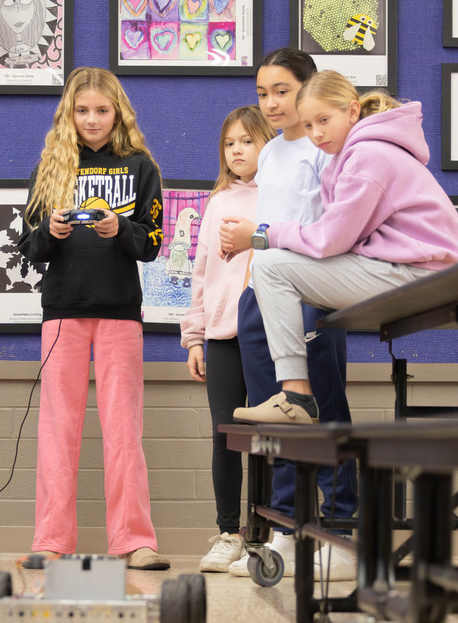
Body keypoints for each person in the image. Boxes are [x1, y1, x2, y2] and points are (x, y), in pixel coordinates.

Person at [230, 69, 458, 577]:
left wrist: (266, 233)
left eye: (325, 119)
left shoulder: (368, 154)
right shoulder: (352, 153)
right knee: (274, 267)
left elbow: (330, 239)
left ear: (352, 111)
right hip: (404, 265)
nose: (317, 132)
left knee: (271, 263)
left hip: (418, 271)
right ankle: (295, 398)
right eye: (310, 123)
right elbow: (336, 236)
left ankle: (296, 396)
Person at [18, 66, 169, 570]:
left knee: (123, 428)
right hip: (61, 312)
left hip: (120, 313)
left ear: (117, 111)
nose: (92, 119)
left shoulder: (140, 166)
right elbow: (27, 246)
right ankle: (51, 540)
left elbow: (152, 243)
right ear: (69, 112)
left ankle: (134, 541)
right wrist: (53, 232)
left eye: (101, 110)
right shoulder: (51, 167)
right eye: (82, 110)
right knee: (57, 428)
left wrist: (119, 229)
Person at [220, 48, 357, 581]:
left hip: (309, 291)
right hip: (261, 291)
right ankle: (286, 528)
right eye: (262, 93)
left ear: (309, 88)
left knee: (322, 408)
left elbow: (327, 233)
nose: (272, 103)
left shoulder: (328, 150)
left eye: (282, 90)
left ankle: (339, 530)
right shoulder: (272, 152)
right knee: (275, 412)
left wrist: (254, 236)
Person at [180, 106, 274, 573]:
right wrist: (195, 337)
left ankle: (266, 533)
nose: (237, 150)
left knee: (268, 439)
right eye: (230, 143)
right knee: (225, 438)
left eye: (247, 141)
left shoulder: (280, 194)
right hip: (221, 338)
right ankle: (228, 533)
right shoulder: (217, 200)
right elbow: (202, 273)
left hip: (269, 334)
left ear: (268, 143)